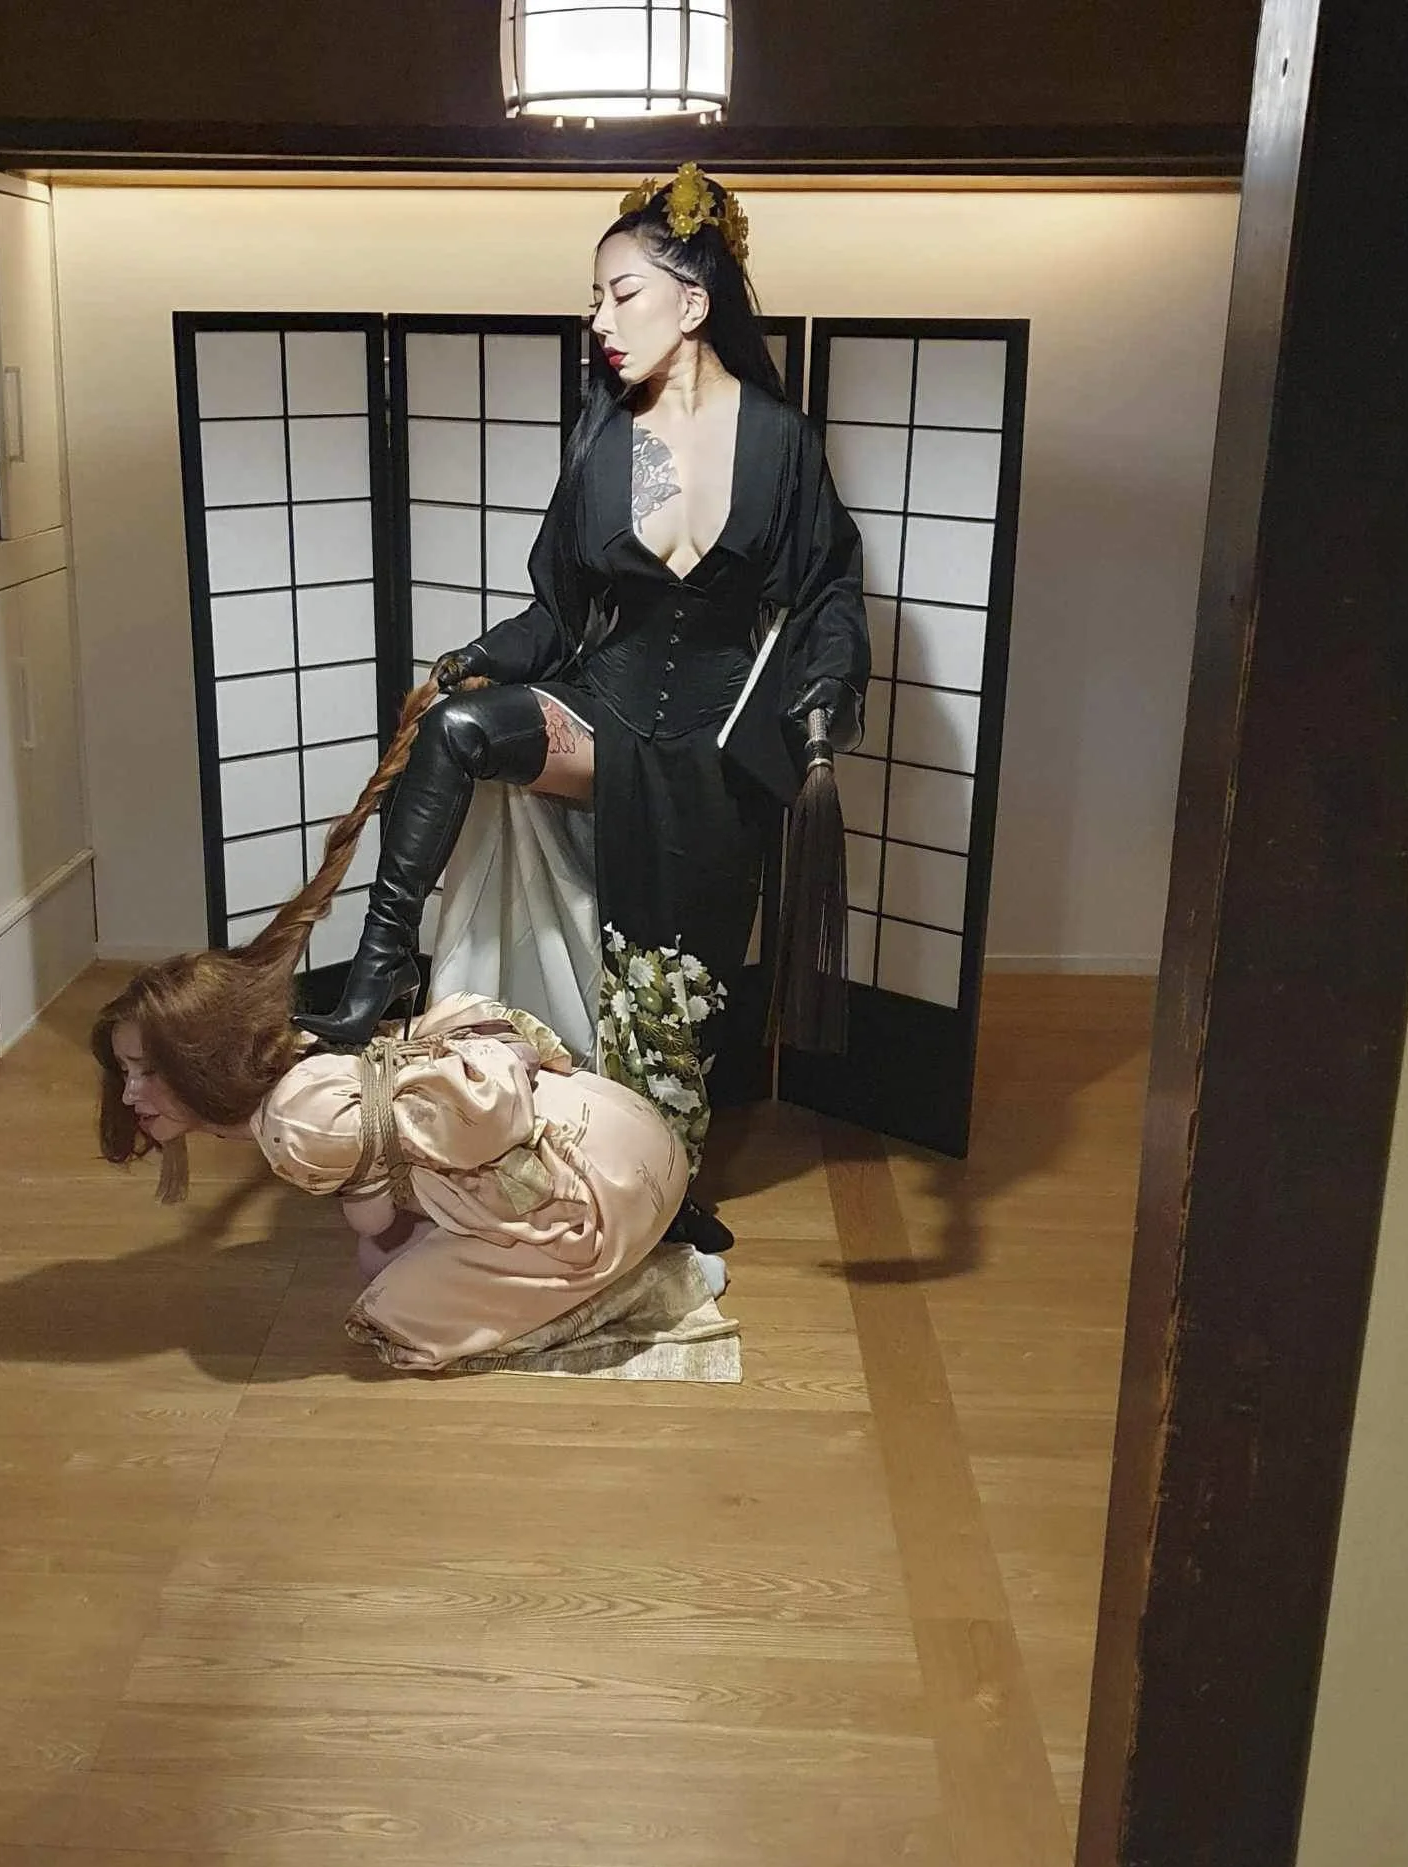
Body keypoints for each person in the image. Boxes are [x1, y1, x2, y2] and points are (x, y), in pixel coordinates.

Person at [294, 164, 872, 1255]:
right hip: (603, 713)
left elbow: (828, 590)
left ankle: (667, 1178)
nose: (596, 318)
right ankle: (380, 962)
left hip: (713, 750)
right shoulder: (605, 435)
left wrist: (821, 699)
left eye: (621, 293)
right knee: (463, 731)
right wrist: (473, 656)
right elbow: (559, 608)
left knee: (680, 992)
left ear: (693, 303)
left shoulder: (781, 445)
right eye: (595, 296)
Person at [91, 682, 707, 1374]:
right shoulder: (312, 1055)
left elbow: (444, 1154)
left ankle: (622, 1284)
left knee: (396, 1314)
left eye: (148, 1069)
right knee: (416, 1247)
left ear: (198, 1057)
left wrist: (375, 1229)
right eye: (128, 1072)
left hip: (602, 1193)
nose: (130, 1095)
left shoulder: (294, 1122)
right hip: (622, 1129)